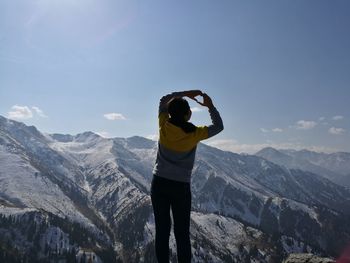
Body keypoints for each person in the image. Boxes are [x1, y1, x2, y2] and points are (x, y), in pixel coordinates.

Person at [151, 90, 224, 263]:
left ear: (169, 113)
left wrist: (185, 93)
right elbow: (219, 126)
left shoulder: (163, 126)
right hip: (180, 188)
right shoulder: (195, 133)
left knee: (162, 231)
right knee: (182, 233)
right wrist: (210, 106)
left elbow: (162, 99)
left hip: (159, 183)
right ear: (188, 115)